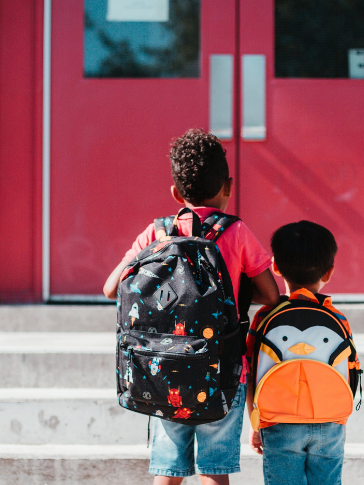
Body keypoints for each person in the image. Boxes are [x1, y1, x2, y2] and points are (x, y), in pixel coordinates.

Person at [103, 128, 280, 485]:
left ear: (175, 193)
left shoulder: (156, 233)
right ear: (228, 187)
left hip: (162, 369)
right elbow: (271, 297)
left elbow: (111, 288)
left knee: (167, 472)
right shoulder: (235, 232)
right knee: (215, 471)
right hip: (223, 370)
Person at [247, 221, 357, 485]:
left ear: (274, 266)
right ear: (328, 272)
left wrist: (255, 421)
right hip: (330, 421)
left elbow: (251, 371)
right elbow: (350, 369)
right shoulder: (338, 319)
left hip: (277, 421)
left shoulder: (264, 317)